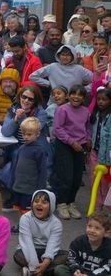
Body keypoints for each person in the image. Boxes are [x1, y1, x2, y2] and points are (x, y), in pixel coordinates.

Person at [50, 85, 90, 220]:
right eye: (73, 94)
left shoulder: (85, 111)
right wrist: (72, 142)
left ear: (83, 98)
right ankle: (62, 203)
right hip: (65, 145)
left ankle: (71, 202)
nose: (76, 97)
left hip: (80, 146)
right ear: (68, 96)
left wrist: (88, 139)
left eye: (80, 95)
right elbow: (58, 129)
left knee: (77, 178)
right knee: (66, 177)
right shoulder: (62, 110)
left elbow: (87, 127)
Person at [14, 190, 67, 275]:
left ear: (51, 206)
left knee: (67, 256)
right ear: (32, 204)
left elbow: (53, 245)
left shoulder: (56, 223)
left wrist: (46, 263)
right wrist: (33, 264)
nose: (39, 204)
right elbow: (27, 243)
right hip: (29, 251)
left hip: (46, 251)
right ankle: (41, 270)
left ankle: (32, 271)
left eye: (44, 202)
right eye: (36, 201)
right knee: (18, 255)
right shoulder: (25, 218)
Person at [53, 210, 111, 275]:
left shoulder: (109, 247)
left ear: (106, 233)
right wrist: (76, 270)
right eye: (89, 226)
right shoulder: (78, 242)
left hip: (97, 274)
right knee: (60, 269)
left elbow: (107, 267)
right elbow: (72, 259)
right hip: (80, 272)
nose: (92, 230)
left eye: (97, 228)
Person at [9, 117, 48, 211]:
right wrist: (11, 182)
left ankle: (26, 226)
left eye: (29, 134)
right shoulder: (21, 148)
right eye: (23, 134)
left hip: (30, 190)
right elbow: (15, 167)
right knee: (17, 208)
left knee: (26, 211)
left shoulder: (40, 151)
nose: (26, 137)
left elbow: (43, 171)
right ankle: (20, 225)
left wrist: (40, 189)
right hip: (17, 186)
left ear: (37, 134)